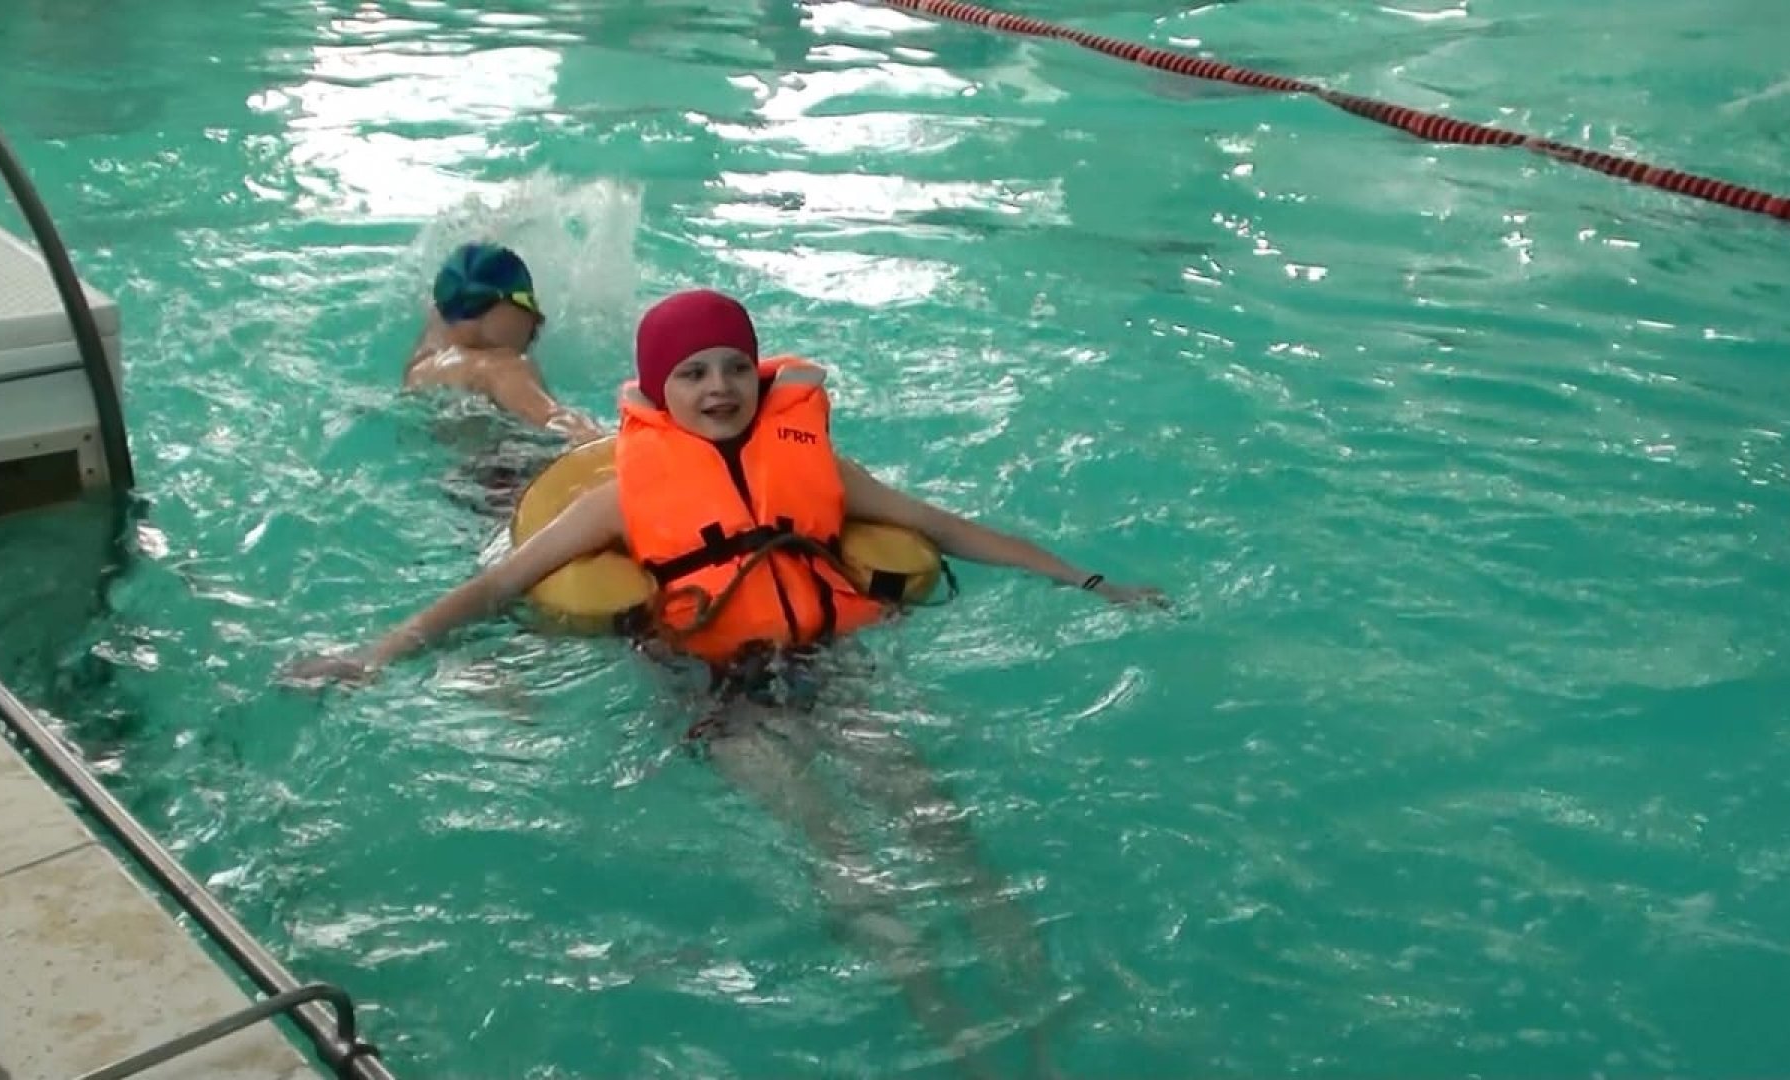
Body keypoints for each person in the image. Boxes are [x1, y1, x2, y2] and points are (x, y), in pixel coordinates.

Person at [291, 288, 1167, 1077]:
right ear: (657, 391)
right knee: (845, 859)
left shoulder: (820, 470)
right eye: (693, 373)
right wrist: (375, 655)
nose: (719, 387)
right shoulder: (622, 498)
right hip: (721, 697)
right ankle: (956, 1037)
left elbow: (949, 528)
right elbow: (496, 587)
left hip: (830, 671)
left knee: (949, 841)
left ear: (759, 373)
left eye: (735, 367)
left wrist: (1089, 581)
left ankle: (1044, 1038)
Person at [404, 241, 606, 446]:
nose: (536, 320)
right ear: (500, 303)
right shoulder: (498, 367)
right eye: (527, 302)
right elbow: (559, 422)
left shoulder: (423, 364)